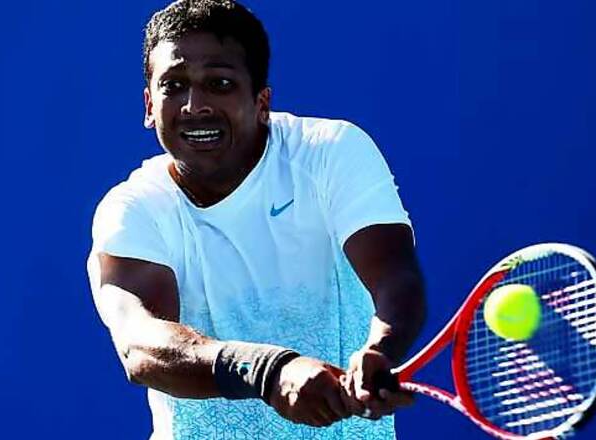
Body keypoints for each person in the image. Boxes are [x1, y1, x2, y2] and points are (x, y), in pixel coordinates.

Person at [87, 0, 426, 438]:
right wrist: (268, 371)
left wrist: (380, 349)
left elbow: (395, 276)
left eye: (220, 84)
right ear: (150, 105)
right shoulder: (134, 209)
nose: (194, 106)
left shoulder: (330, 154)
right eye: (174, 85)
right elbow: (140, 345)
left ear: (261, 102)